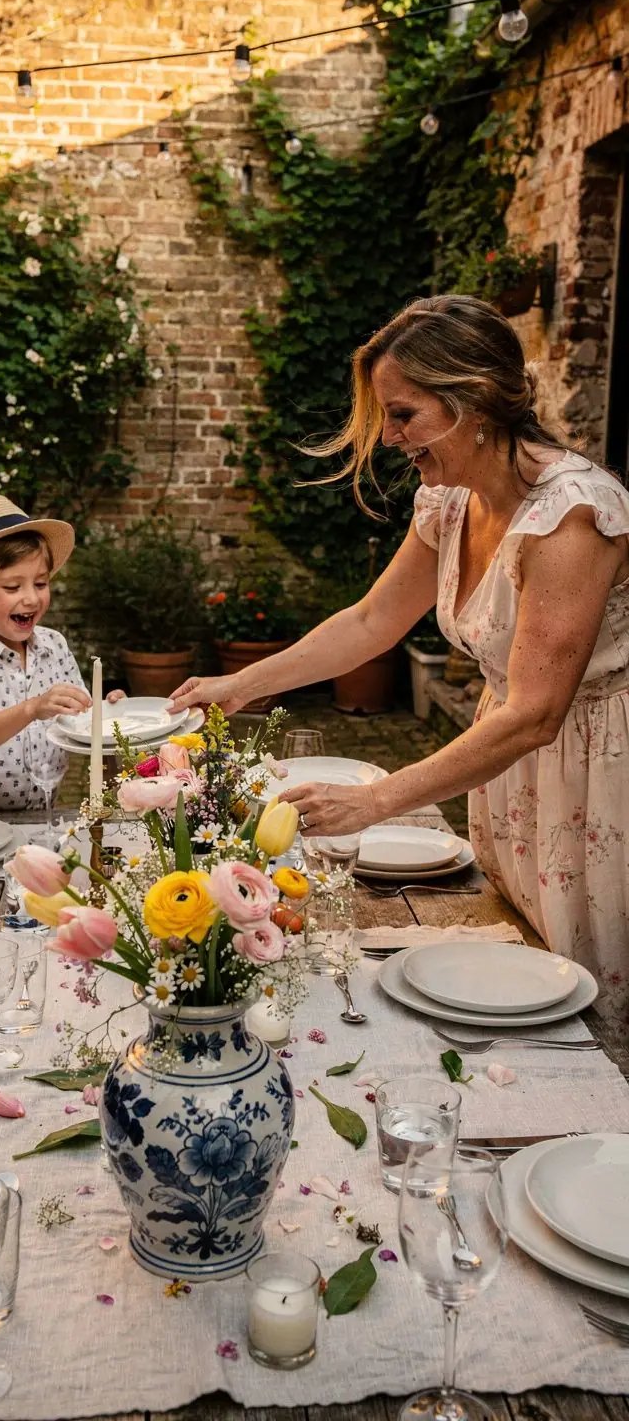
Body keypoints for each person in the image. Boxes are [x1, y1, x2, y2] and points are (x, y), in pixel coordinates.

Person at [171, 294, 629, 1023]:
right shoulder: (450, 501)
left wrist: (377, 801)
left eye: (404, 414)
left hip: (593, 772)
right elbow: (370, 621)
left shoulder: (572, 516)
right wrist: (241, 684)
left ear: (474, 400)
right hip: (508, 765)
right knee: (517, 971)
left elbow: (538, 714)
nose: (388, 436)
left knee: (588, 998)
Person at [0, 494, 123, 812]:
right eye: (12, 587)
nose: (31, 599)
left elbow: (79, 717)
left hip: (40, 816)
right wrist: (32, 708)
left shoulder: (54, 645)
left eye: (41, 583)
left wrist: (108, 712)